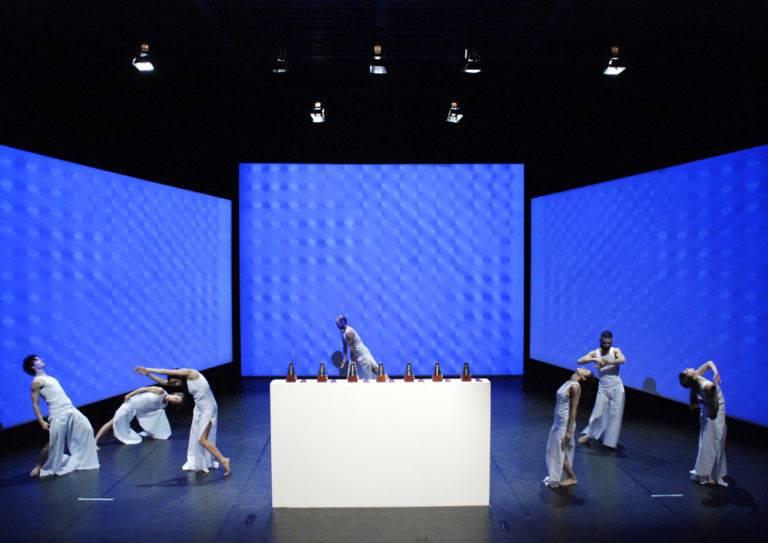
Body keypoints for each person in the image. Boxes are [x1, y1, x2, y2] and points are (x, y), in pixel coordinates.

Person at [133, 366, 230, 476]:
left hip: (208, 408)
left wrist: (149, 369)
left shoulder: (192, 373)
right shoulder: (183, 381)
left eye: (176, 381)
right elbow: (164, 383)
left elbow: (167, 371)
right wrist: (148, 375)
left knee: (202, 439)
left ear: (179, 376)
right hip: (199, 408)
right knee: (195, 436)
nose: (176, 385)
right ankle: (199, 461)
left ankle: (223, 460)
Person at [23, 355, 100, 477]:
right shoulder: (36, 382)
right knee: (53, 442)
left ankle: (82, 459)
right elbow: (35, 404)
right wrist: (41, 421)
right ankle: (39, 466)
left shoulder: (50, 378)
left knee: (87, 428)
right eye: (37, 359)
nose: (41, 359)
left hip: (70, 408)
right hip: (58, 412)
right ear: (33, 366)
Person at [679, 361, 727, 486]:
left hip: (708, 412)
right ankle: (710, 475)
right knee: (714, 442)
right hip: (713, 414)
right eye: (687, 370)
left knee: (709, 441)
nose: (687, 367)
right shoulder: (707, 386)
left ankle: (709, 472)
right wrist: (702, 401)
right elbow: (714, 404)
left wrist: (716, 372)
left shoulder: (696, 379)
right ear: (692, 376)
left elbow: (709, 363)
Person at [544, 367, 592, 487]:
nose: (583, 368)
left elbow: (573, 410)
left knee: (558, 451)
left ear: (584, 378)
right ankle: (564, 475)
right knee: (554, 450)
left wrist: (569, 431)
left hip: (565, 424)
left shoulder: (575, 387)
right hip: (558, 422)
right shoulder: (569, 382)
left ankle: (571, 477)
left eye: (586, 371)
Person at [94, 387, 185, 450]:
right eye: (176, 398)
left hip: (140, 410)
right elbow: (144, 389)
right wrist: (130, 394)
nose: (175, 400)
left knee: (159, 415)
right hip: (131, 403)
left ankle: (153, 432)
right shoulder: (160, 391)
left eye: (176, 402)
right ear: (174, 394)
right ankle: (95, 442)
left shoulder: (164, 405)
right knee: (112, 422)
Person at [577, 331, 626, 449]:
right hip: (603, 387)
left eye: (609, 342)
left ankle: (610, 442)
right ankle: (589, 434)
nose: (606, 345)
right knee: (597, 412)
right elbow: (580, 360)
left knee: (615, 415)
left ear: (611, 341)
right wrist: (596, 360)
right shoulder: (596, 353)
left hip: (617, 388)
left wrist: (608, 362)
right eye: (604, 342)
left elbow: (622, 359)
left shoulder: (615, 351)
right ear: (600, 340)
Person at [335, 315, 380, 380]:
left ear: (343, 322)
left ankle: (388, 379)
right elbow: (344, 345)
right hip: (355, 355)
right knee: (351, 375)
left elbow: (351, 348)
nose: (337, 326)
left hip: (361, 353)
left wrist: (352, 362)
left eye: (338, 324)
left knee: (374, 369)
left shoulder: (348, 332)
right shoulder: (342, 332)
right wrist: (344, 359)